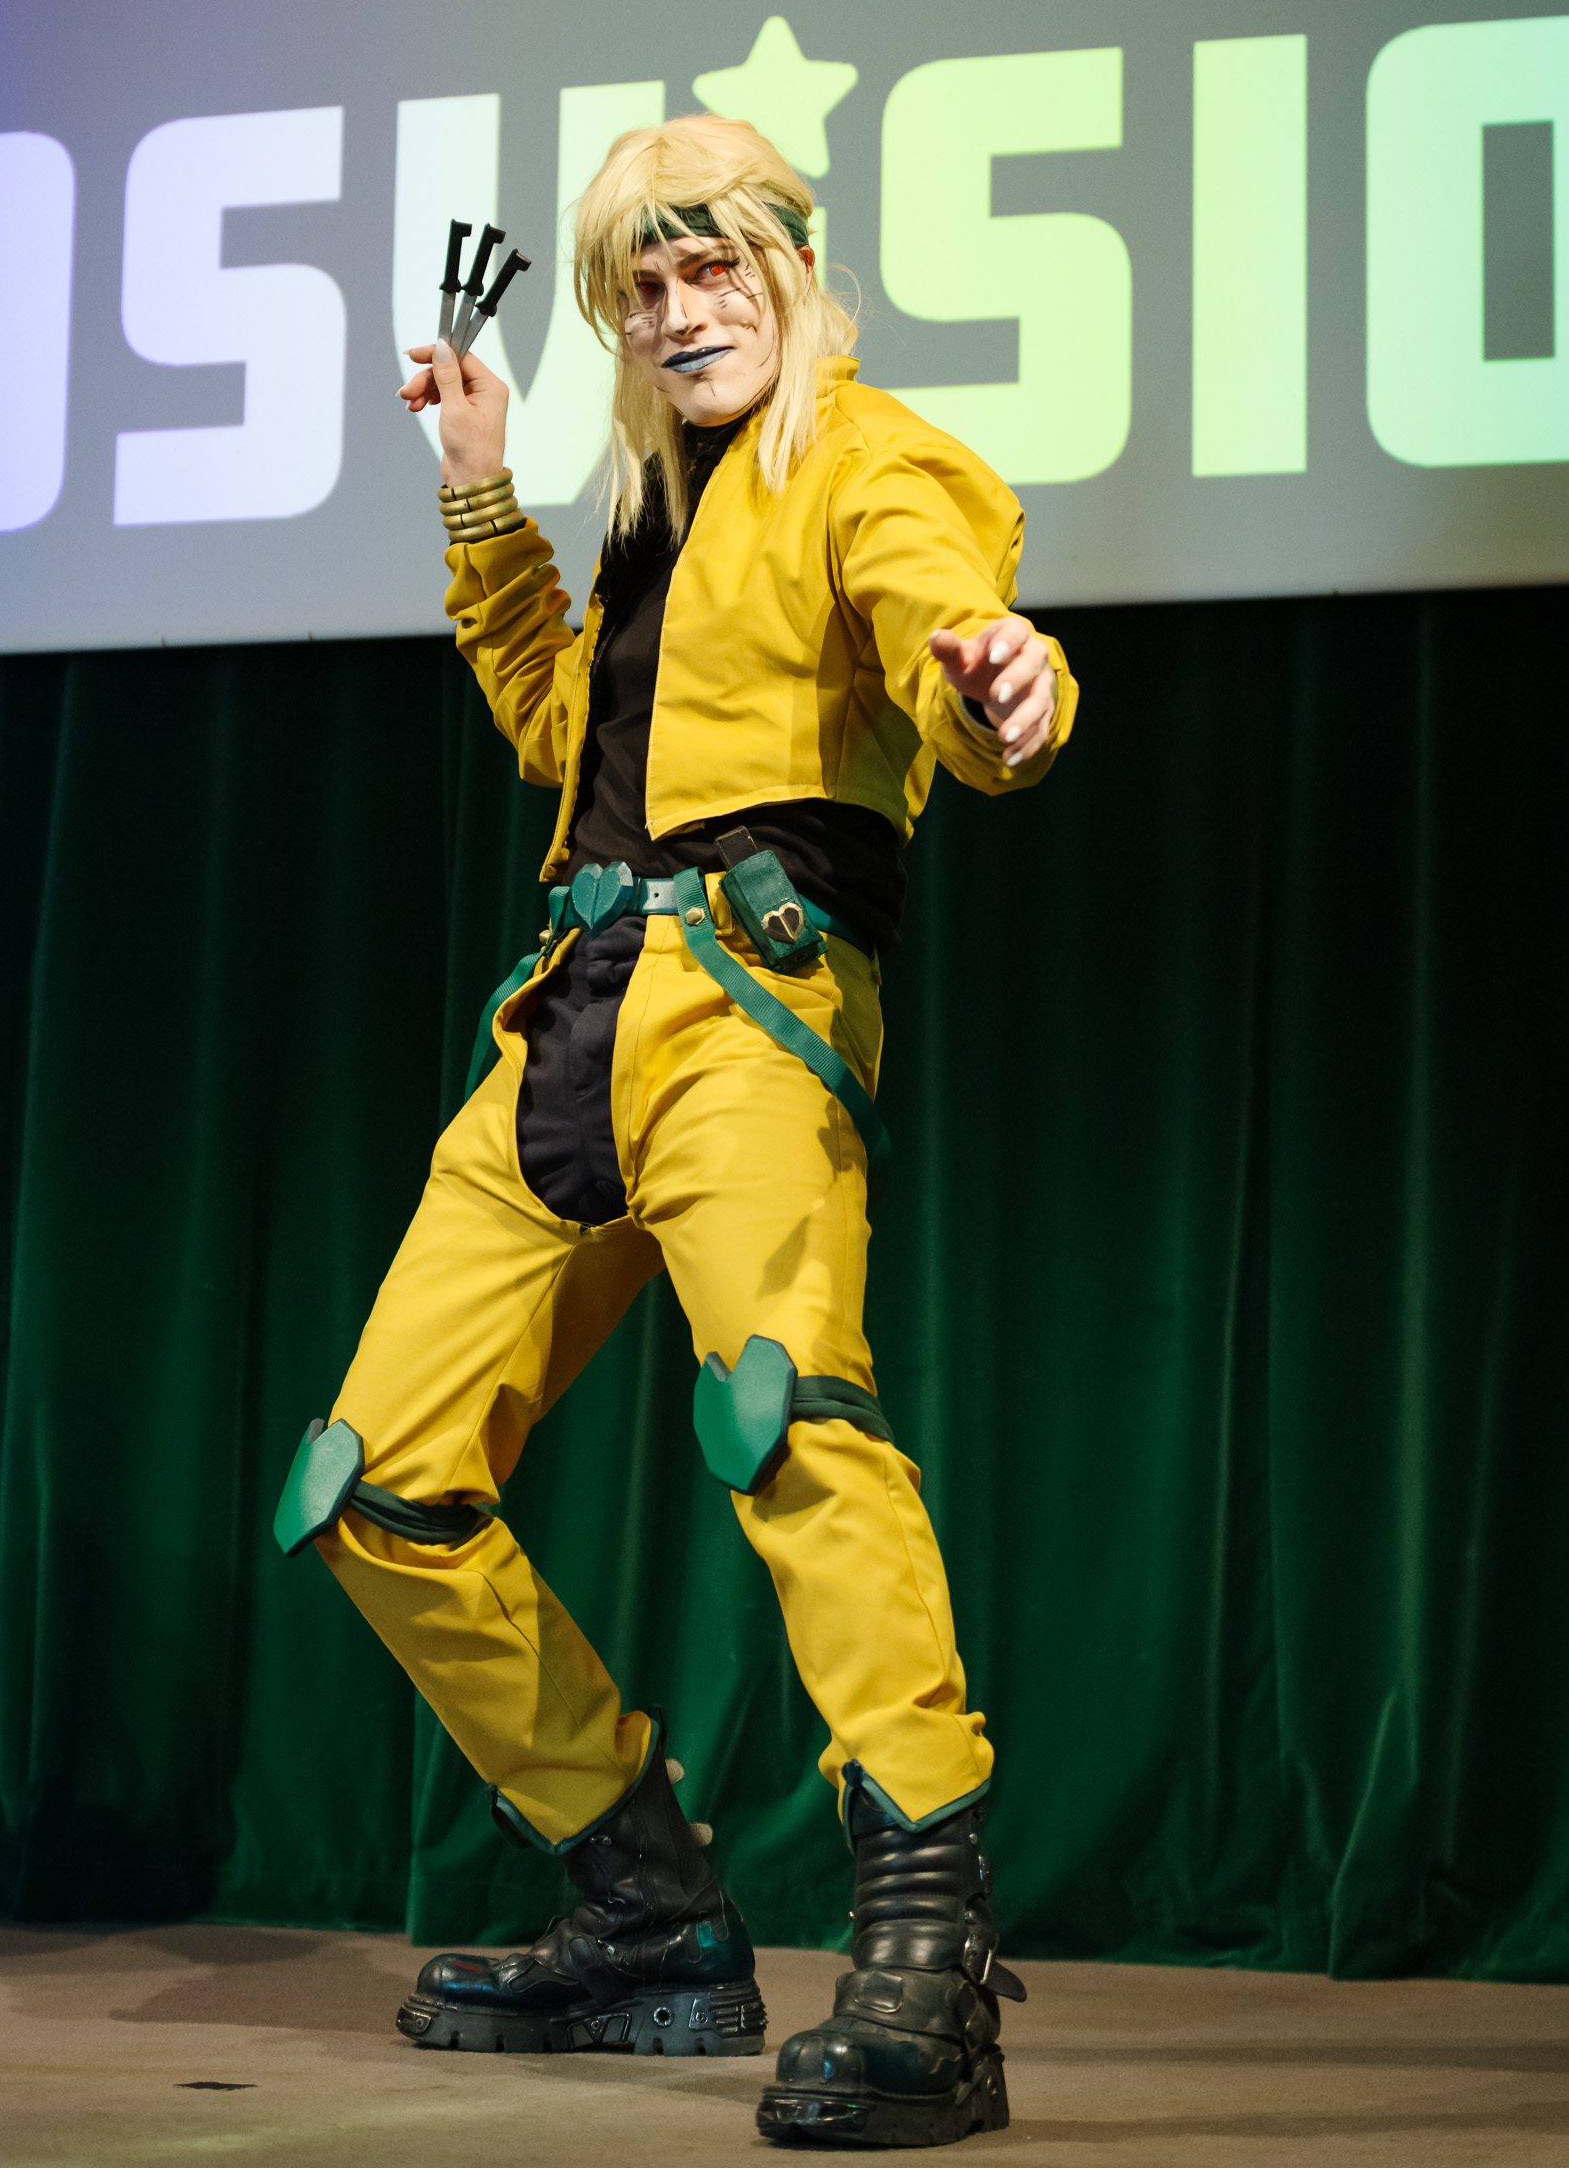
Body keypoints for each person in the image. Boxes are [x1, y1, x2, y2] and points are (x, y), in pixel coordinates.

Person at [273, 114, 1078, 2148]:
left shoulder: (869, 463)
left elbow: (956, 641)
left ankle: (927, 1935)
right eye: (641, 285)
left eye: (710, 270)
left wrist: (1004, 687)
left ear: (791, 273)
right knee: (375, 1485)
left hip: (749, 1011)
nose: (677, 310)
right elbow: (565, 735)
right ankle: (646, 1904)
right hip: (568, 1013)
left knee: (789, 1421)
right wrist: (481, 493)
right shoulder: (654, 506)